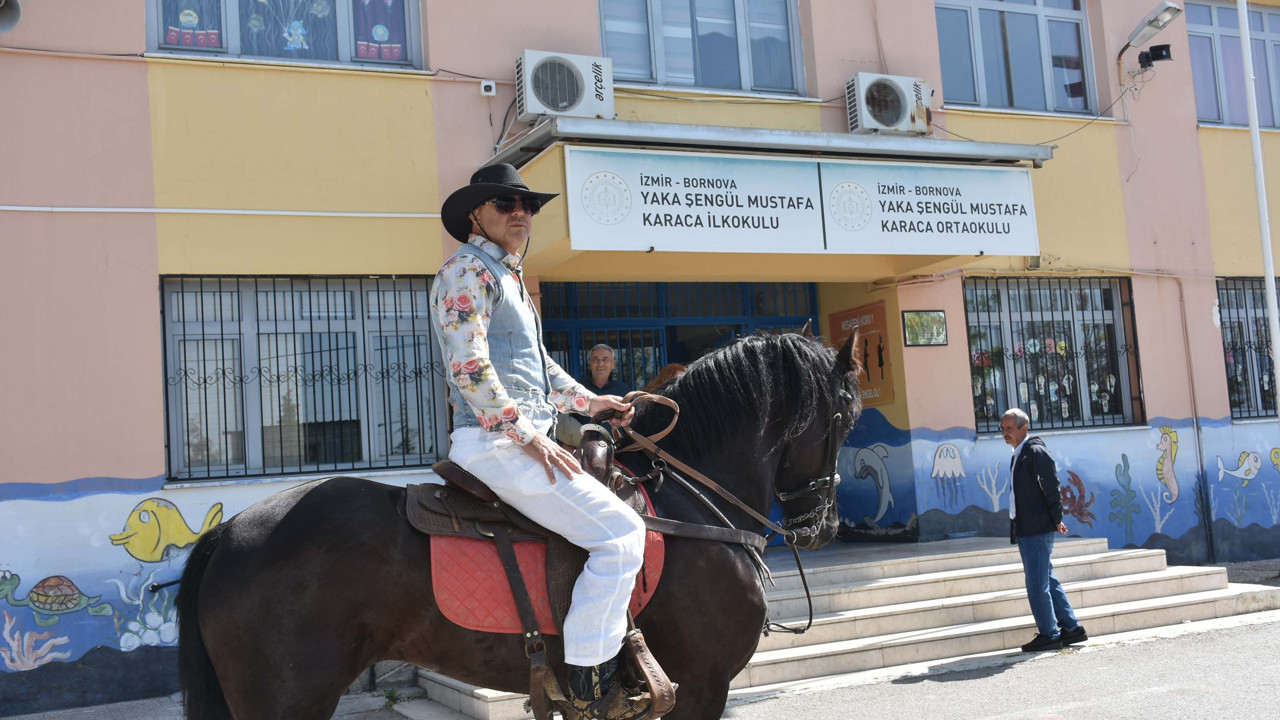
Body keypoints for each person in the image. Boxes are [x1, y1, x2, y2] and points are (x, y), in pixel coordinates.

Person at [432, 163, 650, 720]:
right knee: (624, 535)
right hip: (496, 446)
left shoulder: (511, 280)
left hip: (519, 438)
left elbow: (539, 369)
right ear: (476, 215)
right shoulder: (467, 271)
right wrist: (526, 435)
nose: (521, 213)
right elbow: (470, 366)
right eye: (506, 204)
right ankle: (586, 688)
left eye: (527, 206)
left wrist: (591, 401)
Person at [1001, 408, 1088, 652]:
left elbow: (1052, 486)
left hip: (1036, 528)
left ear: (1023, 428)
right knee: (1046, 578)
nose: (1005, 433)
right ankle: (1071, 628)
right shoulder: (1018, 454)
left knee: (1036, 584)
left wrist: (1056, 518)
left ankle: (1050, 633)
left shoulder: (1036, 452)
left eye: (1009, 428)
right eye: (1003, 428)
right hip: (1027, 526)